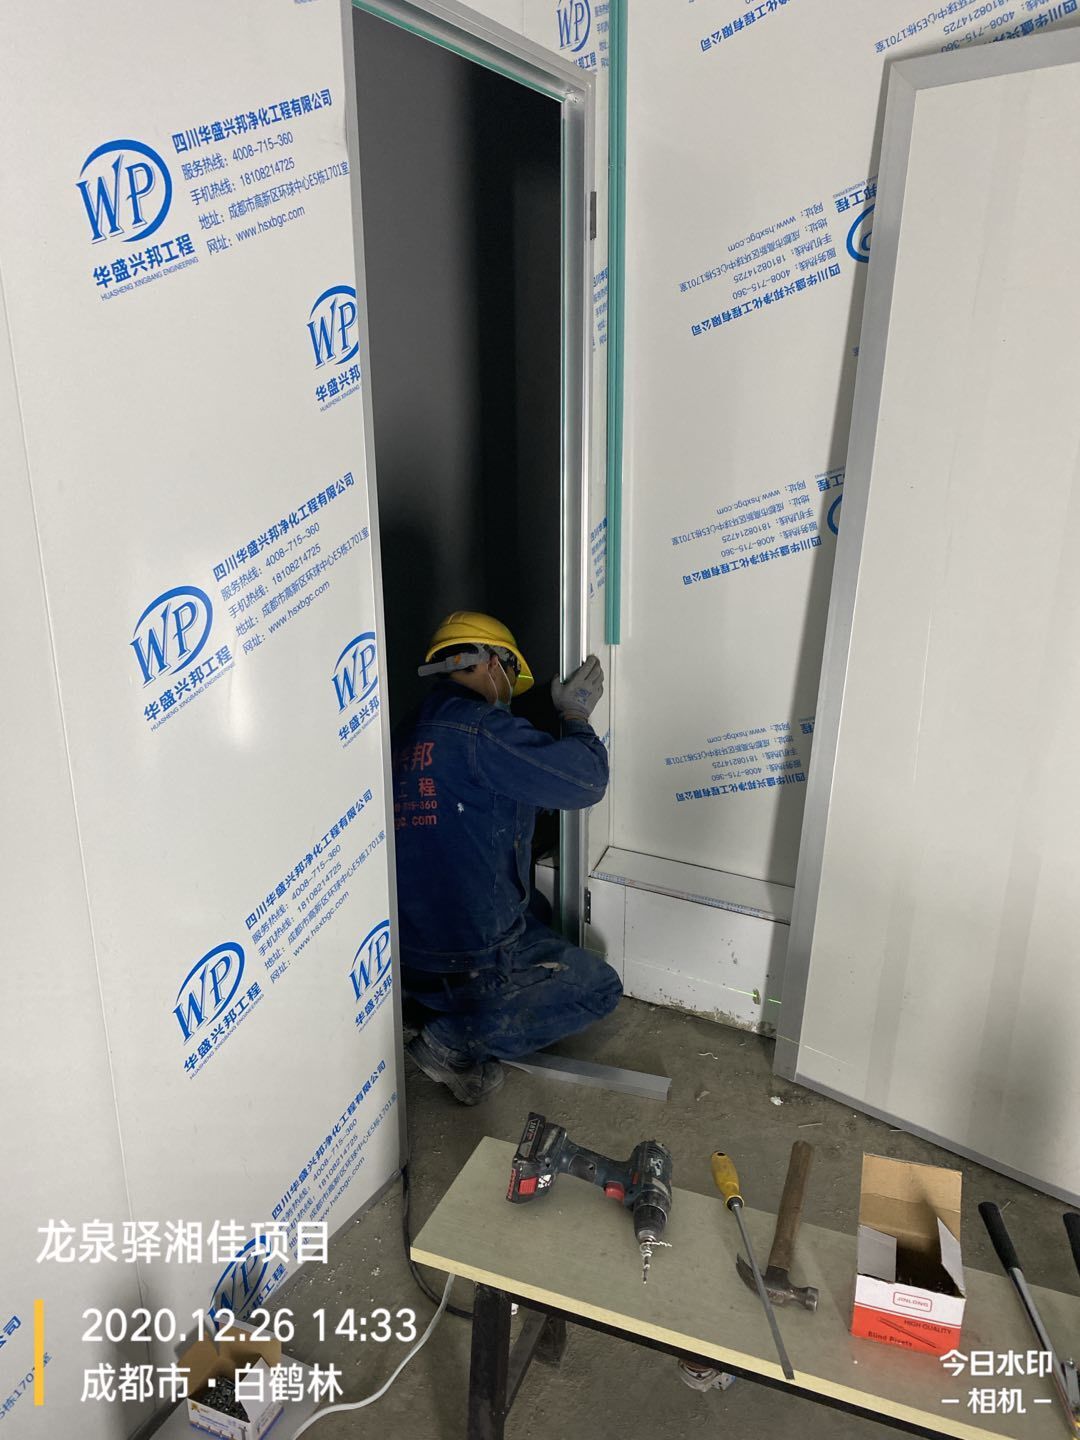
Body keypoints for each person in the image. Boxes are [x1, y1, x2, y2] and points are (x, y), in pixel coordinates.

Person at [392, 611, 622, 1104]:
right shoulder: (481, 730)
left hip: (407, 948)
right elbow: (585, 782)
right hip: (467, 953)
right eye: (510, 673)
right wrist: (576, 718)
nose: (509, 691)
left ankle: (432, 1004)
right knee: (598, 987)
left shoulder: (405, 731)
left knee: (536, 908)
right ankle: (451, 1040)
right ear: (492, 663)